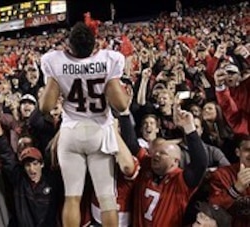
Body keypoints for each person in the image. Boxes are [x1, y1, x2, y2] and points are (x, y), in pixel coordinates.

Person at [39, 21, 132, 227]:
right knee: (107, 198)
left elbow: (46, 107)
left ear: (69, 45)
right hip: (100, 131)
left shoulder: (55, 60)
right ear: (94, 44)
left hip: (71, 132)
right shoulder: (108, 59)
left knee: (72, 197)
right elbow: (121, 104)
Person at [0, 96, 64, 227]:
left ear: (42, 164)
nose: (31, 169)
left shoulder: (53, 180)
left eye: (35, 164)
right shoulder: (19, 180)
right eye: (27, 165)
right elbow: (6, 155)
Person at [132, 97, 208, 226]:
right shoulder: (147, 166)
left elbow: (200, 163)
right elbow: (132, 145)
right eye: (156, 152)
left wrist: (189, 128)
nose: (156, 155)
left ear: (175, 161)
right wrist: (124, 113)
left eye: (163, 154)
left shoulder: (180, 181)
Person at [209, 135, 250, 227]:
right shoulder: (222, 174)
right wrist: (235, 189)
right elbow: (213, 207)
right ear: (237, 152)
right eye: (248, 150)